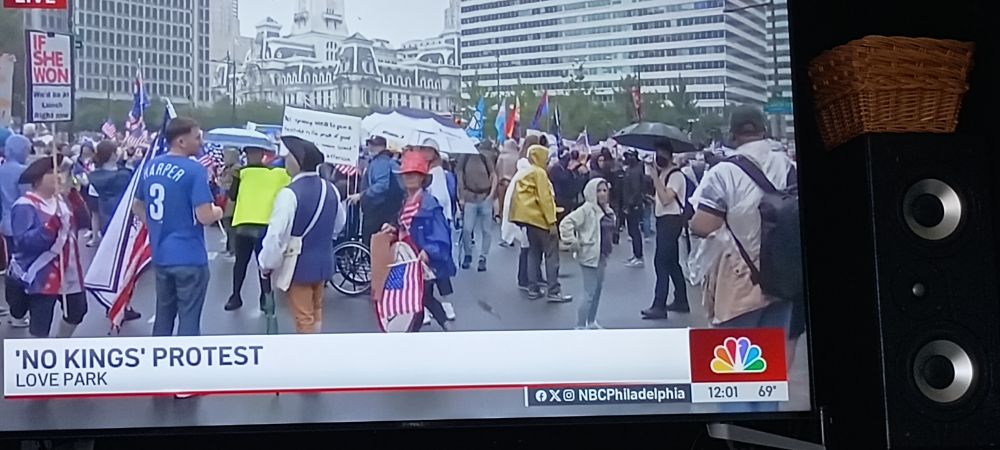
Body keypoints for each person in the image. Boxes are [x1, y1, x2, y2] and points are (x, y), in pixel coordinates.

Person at [691, 106, 797, 413]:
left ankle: (738, 437)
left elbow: (704, 224)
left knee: (733, 377)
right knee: (766, 376)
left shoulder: (723, 172)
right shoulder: (787, 165)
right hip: (783, 279)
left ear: (733, 133)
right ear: (763, 129)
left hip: (739, 282)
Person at [133, 117, 222, 337]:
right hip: (190, 255)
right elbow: (204, 216)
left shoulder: (151, 165)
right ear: (181, 141)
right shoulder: (194, 170)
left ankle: (158, 362)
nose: (201, 142)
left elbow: (137, 205)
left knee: (163, 316)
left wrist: (154, 224)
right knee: (189, 320)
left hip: (162, 254)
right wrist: (219, 211)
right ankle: (185, 367)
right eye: (197, 137)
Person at [258, 136, 345, 334]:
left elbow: (276, 235)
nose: (285, 159)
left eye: (289, 155)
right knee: (316, 313)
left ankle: (309, 357)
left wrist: (266, 264)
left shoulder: (289, 194)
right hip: (323, 261)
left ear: (298, 161)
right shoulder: (330, 189)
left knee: (303, 318)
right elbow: (339, 224)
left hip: (299, 265)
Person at [6, 155, 91, 338]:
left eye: (59, 171)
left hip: (70, 271)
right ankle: (39, 359)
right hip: (42, 273)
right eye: (52, 172)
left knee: (77, 310)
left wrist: (75, 197)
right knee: (41, 322)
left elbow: (84, 223)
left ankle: (60, 344)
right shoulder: (25, 206)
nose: (59, 176)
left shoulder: (63, 200)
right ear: (38, 178)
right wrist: (51, 226)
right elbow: (24, 243)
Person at [379, 150, 454, 331]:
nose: (409, 178)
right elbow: (404, 225)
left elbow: (441, 235)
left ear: (422, 178)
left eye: (414, 174)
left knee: (419, 298)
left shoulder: (429, 204)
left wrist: (428, 252)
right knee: (419, 298)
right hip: (407, 258)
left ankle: (416, 332)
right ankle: (441, 327)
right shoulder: (407, 201)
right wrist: (393, 229)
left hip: (421, 260)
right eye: (406, 175)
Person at [225, 146, 290, 312]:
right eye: (248, 154)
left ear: (262, 155)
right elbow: (232, 196)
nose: (250, 156)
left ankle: (264, 297)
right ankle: (238, 295)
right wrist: (236, 179)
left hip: (261, 224)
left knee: (262, 265)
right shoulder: (244, 173)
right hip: (246, 224)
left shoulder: (274, 173)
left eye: (252, 153)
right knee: (243, 263)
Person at [510, 145, 571, 302]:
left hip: (529, 220)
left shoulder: (526, 173)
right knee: (551, 255)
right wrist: (552, 221)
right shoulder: (540, 173)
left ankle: (533, 288)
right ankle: (554, 291)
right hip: (542, 221)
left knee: (533, 254)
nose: (548, 161)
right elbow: (545, 199)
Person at [641, 141, 689, 320]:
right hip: (664, 219)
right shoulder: (664, 175)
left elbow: (667, 198)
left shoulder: (676, 175)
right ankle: (681, 300)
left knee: (660, 262)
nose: (658, 158)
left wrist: (654, 178)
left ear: (669, 155)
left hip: (672, 220)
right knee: (671, 262)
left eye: (662, 154)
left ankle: (659, 305)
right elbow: (661, 199)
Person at [560, 178, 616, 330]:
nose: (603, 194)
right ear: (592, 192)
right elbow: (566, 223)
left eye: (605, 190)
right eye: (599, 190)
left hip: (602, 255)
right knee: (589, 292)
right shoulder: (586, 209)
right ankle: (580, 325)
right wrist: (572, 241)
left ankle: (591, 321)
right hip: (590, 255)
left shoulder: (607, 210)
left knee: (597, 291)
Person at [348, 136, 403, 245]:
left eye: (374, 145)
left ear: (382, 147)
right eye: (369, 144)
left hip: (378, 210)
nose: (370, 147)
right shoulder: (387, 162)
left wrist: (361, 195)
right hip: (385, 210)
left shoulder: (381, 162)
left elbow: (382, 185)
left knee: (371, 242)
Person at [455, 142, 497, 272]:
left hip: (484, 196)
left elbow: (493, 175)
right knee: (467, 229)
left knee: (486, 231)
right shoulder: (464, 158)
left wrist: (491, 194)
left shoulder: (485, 157)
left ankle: (483, 257)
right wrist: (461, 197)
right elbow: (460, 178)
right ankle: (468, 254)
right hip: (470, 197)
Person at [87, 141, 133, 233]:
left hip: (106, 220)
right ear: (113, 155)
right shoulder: (124, 176)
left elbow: (94, 208)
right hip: (124, 219)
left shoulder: (93, 177)